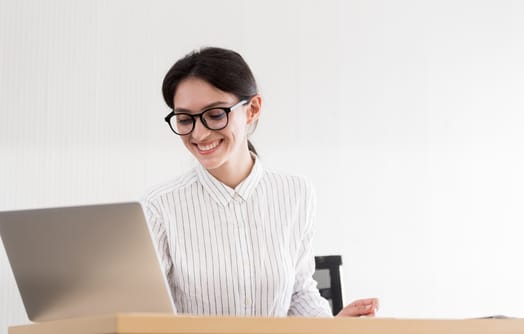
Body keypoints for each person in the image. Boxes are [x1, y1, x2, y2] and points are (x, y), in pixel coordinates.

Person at [142, 47, 378, 317]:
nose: (199, 133)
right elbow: (145, 312)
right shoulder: (158, 207)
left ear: (252, 109)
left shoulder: (296, 193)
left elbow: (299, 292)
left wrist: (331, 327)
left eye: (215, 115)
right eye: (185, 119)